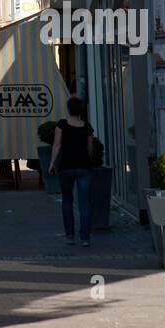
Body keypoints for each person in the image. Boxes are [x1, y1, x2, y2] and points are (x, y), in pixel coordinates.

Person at [49, 97, 96, 246]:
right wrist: (90, 161)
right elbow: (90, 147)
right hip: (84, 167)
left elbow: (56, 146)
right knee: (84, 203)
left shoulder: (61, 125)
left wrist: (51, 164)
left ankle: (70, 235)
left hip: (66, 167)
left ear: (69, 109)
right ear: (81, 110)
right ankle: (85, 238)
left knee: (67, 201)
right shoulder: (87, 127)